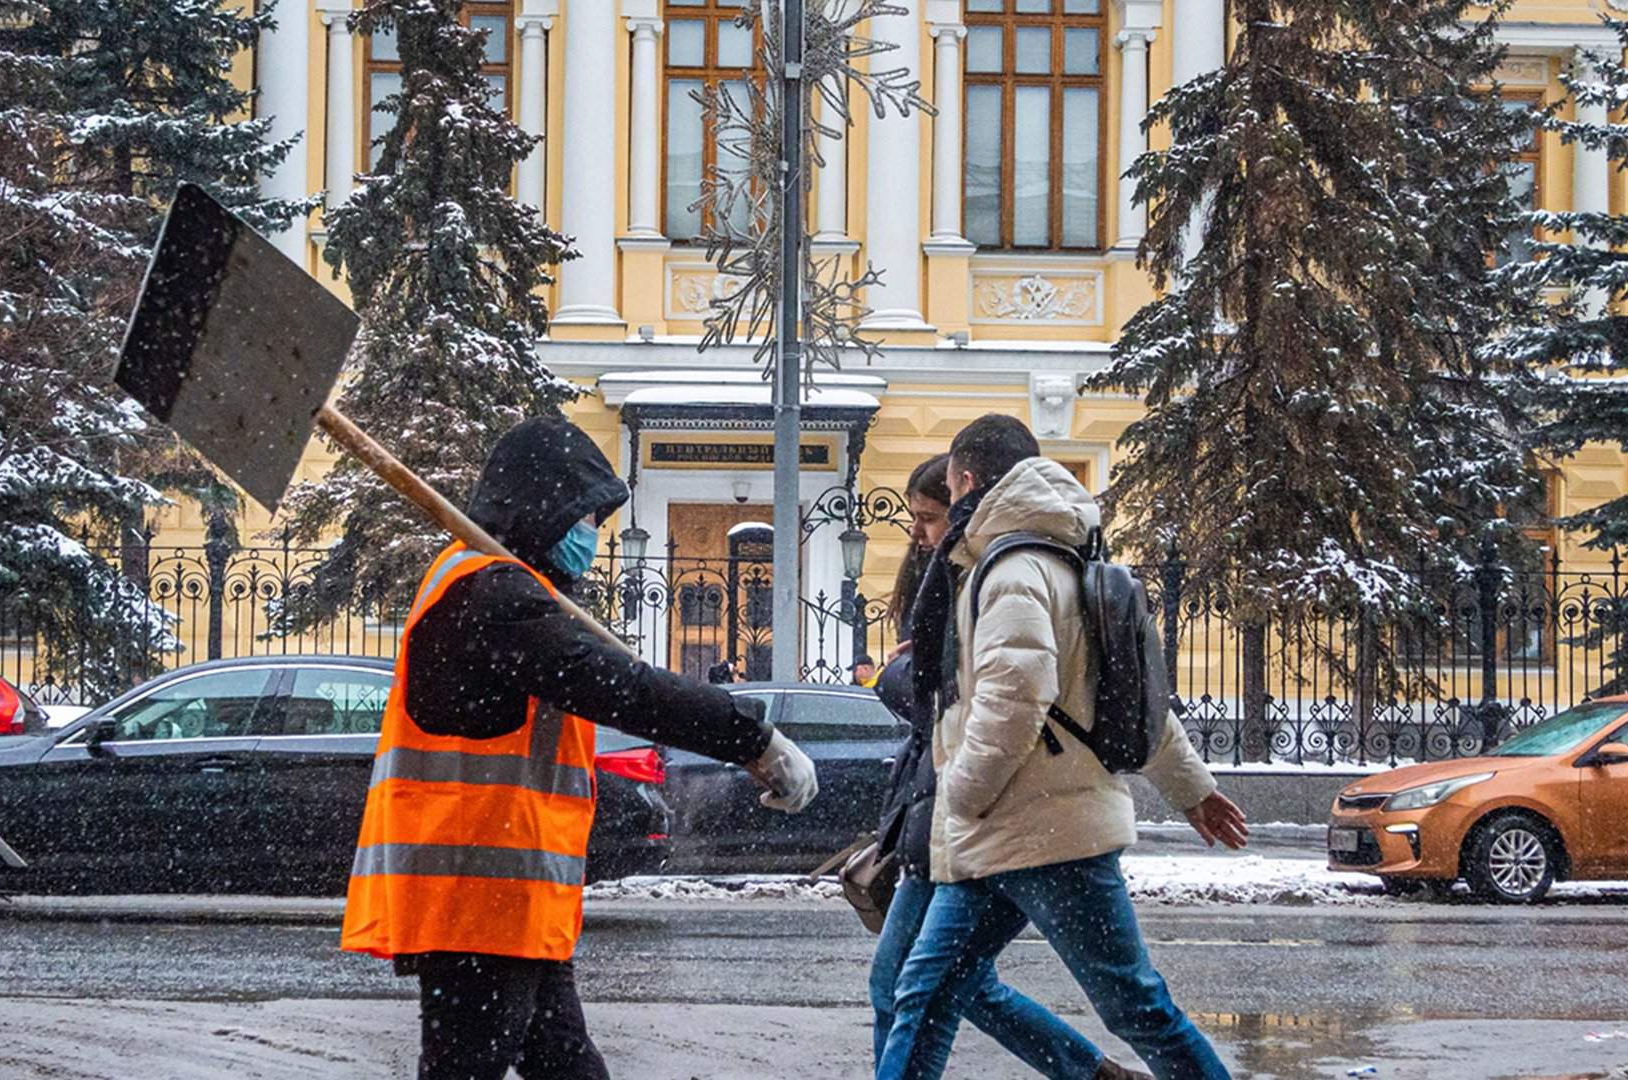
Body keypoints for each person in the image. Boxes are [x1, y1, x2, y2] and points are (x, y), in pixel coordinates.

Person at [342, 416, 819, 1080]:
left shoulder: (500, 587)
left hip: (507, 902)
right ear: (545, 507)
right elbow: (621, 688)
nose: (592, 534)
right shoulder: (491, 594)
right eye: (586, 517)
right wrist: (750, 736)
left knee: (564, 1065)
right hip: (478, 900)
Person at [878, 415, 1250, 1080]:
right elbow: (1125, 698)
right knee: (924, 995)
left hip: (1047, 832)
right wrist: (1190, 786)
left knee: (1135, 1007)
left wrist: (961, 795)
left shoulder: (1014, 568)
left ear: (964, 479)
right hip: (1009, 830)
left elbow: (1015, 699)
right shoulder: (1064, 557)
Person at [869, 454, 1132, 1080]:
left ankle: (1090, 1070)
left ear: (964, 494)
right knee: (941, 984)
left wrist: (900, 674)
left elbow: (975, 697)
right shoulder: (967, 570)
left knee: (912, 985)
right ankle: (1090, 1071)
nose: (918, 532)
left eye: (928, 517)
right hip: (953, 805)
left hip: (968, 807)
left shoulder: (985, 572)